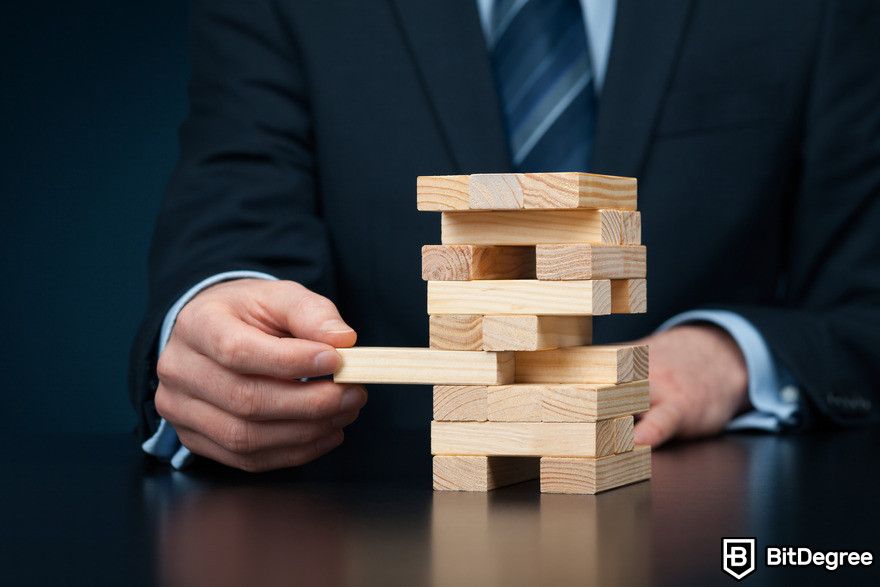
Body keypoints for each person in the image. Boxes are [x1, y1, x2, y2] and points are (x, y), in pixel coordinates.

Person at [133, 0, 880, 472]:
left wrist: (730, 360)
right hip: (374, 514)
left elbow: (864, 304)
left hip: (702, 525)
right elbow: (233, 230)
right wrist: (218, 323)